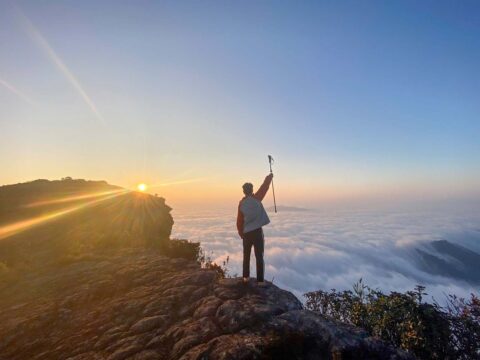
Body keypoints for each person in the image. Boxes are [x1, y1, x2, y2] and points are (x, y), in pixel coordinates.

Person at [236, 173, 273, 285]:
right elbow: (264, 187)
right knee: (259, 256)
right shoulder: (257, 198)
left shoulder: (241, 204)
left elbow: (239, 221)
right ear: (252, 190)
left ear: (243, 191)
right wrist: (269, 177)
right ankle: (260, 281)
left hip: (247, 234)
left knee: (246, 256)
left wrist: (242, 234)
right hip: (257, 232)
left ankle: (246, 278)